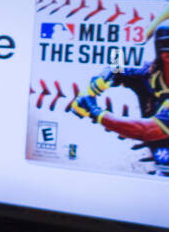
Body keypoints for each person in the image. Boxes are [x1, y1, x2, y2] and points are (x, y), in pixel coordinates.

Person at [71, 21, 169, 172]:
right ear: (163, 53)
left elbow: (145, 130)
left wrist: (95, 112)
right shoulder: (151, 75)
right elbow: (118, 64)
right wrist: (107, 74)